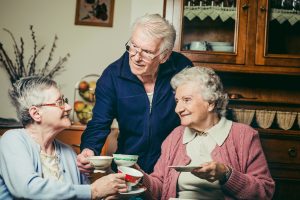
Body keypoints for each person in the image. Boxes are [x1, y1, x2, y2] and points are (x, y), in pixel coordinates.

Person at [77, 13, 193, 173]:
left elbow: (198, 114)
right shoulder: (112, 76)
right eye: (133, 46)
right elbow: (98, 124)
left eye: (147, 52)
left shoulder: (182, 68)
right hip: (129, 167)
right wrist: (89, 150)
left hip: (174, 165)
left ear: (164, 56)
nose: (136, 57)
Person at [139, 67, 275, 199]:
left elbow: (265, 191)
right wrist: (137, 175)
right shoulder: (175, 136)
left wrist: (226, 174)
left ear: (210, 103)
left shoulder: (244, 136)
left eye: (187, 100)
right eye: (177, 101)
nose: (178, 109)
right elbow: (159, 188)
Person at [0, 76, 127, 199]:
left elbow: (84, 194)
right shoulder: (12, 140)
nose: (68, 107)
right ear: (36, 113)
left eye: (64, 101)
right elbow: (27, 188)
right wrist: (94, 191)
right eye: (60, 102)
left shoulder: (68, 152)